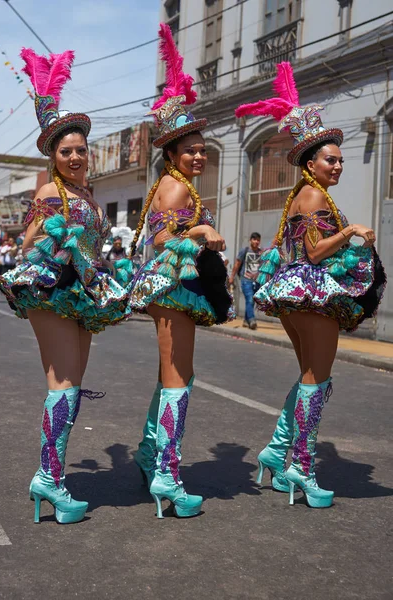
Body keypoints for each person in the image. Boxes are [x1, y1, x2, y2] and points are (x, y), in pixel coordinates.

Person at [235, 62, 386, 509]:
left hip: (296, 296)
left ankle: (277, 451)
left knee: (308, 379)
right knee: (317, 382)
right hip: (314, 296)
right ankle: (301, 467)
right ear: (310, 162)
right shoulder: (315, 195)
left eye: (340, 159)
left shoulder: (299, 196)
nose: (338, 165)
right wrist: (353, 230)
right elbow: (317, 253)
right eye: (331, 159)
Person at [0, 48, 131, 524]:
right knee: (64, 383)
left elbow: (91, 249)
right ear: (53, 156)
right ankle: (49, 480)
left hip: (85, 290)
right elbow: (30, 238)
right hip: (52, 288)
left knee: (72, 388)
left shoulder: (86, 194)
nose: (75, 156)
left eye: (80, 149)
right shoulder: (51, 192)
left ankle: (51, 476)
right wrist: (54, 230)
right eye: (65, 150)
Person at [128, 24, 234, 519]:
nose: (197, 155)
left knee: (177, 376)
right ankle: (167, 477)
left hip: (178, 290)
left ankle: (152, 457)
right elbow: (160, 240)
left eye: (200, 148)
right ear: (169, 153)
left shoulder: (180, 186)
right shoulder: (174, 188)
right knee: (177, 379)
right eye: (187, 148)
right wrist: (199, 234)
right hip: (173, 290)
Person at [229, 232, 262, 329]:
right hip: (245, 279)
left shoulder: (261, 253)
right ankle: (252, 320)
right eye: (254, 239)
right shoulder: (245, 251)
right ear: (250, 240)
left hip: (256, 281)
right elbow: (237, 264)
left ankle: (246, 320)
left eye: (258, 240)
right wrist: (232, 276)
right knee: (250, 299)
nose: (256, 242)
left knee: (252, 301)